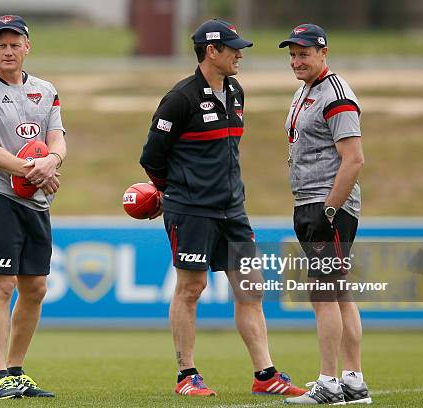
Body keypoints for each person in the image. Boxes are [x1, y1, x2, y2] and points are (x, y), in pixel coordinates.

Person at [140, 19, 306, 397]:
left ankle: (265, 376)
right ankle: (187, 375)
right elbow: (152, 157)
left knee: (251, 288)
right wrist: (174, 193)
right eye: (233, 48)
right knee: (191, 287)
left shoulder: (236, 91)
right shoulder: (179, 99)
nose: (239, 54)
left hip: (233, 210)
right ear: (211, 52)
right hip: (191, 210)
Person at [0, 15, 66, 399]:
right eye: (1, 44)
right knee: (0, 286)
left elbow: (58, 142)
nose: (8, 50)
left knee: (35, 288)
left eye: (14, 43)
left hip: (36, 200)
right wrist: (35, 169)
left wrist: (50, 162)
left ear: (27, 46)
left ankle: (17, 370)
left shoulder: (46, 89)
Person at [277, 24, 372, 405]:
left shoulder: (336, 94)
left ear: (323, 53)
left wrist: (329, 209)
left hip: (327, 205)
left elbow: (354, 159)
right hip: (310, 202)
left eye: (304, 53)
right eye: (292, 54)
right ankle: (353, 382)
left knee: (323, 294)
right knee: (340, 294)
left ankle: (329, 382)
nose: (297, 61)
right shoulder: (306, 91)